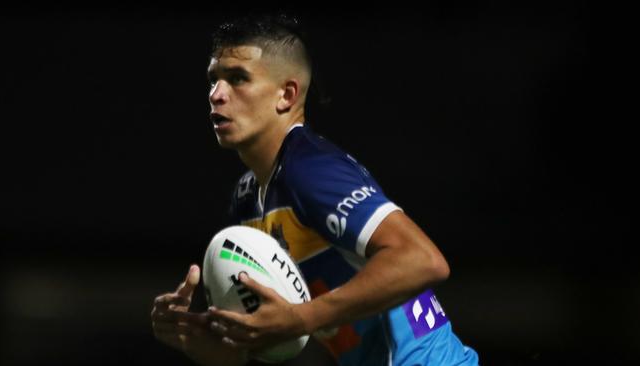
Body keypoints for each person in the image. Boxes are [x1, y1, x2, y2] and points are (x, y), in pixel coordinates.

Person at [151, 13, 479, 366]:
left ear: (286, 94)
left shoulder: (311, 170)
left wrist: (301, 318)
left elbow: (423, 261)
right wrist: (198, 337)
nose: (216, 94)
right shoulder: (248, 199)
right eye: (213, 80)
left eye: (237, 78)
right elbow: (257, 348)